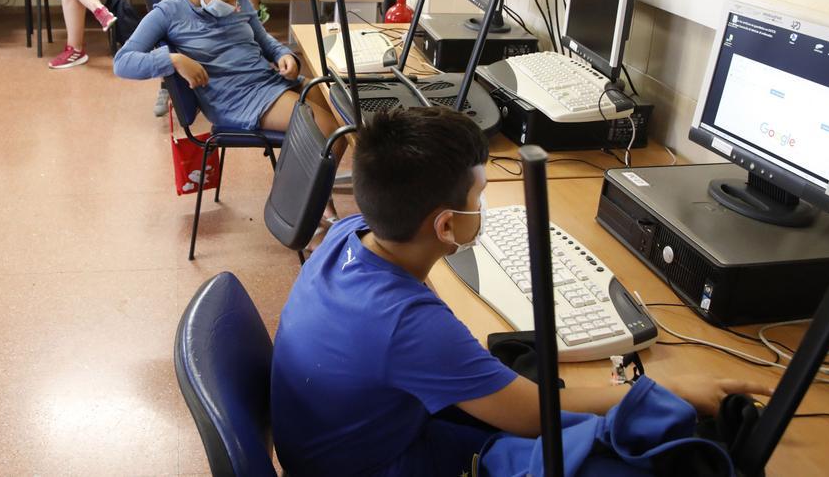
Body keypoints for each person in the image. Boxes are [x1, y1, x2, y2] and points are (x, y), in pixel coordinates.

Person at [270, 106, 773, 476]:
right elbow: (534, 416)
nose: (483, 206)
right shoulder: (405, 325)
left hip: (329, 443)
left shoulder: (349, 234)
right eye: (480, 196)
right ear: (446, 226)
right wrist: (663, 391)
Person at [113, 0, 343, 174]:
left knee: (339, 121)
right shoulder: (168, 13)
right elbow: (123, 62)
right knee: (330, 133)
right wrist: (172, 60)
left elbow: (262, 38)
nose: (236, 3)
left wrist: (282, 54)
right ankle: (306, 205)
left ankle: (313, 195)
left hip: (265, 81)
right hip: (235, 99)